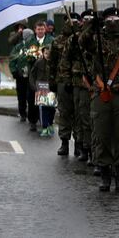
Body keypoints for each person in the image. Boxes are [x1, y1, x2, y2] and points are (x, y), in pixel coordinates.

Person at [81, 7, 119, 192]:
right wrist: (93, 23)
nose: (112, 22)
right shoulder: (97, 42)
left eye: (116, 19)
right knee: (101, 135)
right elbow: (82, 41)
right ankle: (105, 175)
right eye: (108, 19)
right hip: (101, 94)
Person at [59, 11, 94, 164]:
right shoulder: (74, 39)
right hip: (78, 81)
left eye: (91, 20)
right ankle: (82, 146)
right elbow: (65, 61)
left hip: (97, 82)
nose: (88, 22)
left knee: (93, 118)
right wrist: (65, 80)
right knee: (80, 116)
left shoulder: (99, 37)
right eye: (85, 19)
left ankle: (93, 150)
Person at [48, 15, 74, 155]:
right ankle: (64, 142)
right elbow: (52, 63)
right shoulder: (57, 41)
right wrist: (51, 81)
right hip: (62, 80)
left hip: (78, 80)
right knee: (64, 112)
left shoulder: (79, 39)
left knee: (79, 115)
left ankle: (81, 145)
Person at [30, 46, 55, 137]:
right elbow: (32, 75)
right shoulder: (38, 62)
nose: (48, 55)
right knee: (43, 108)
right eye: (46, 53)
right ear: (43, 53)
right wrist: (33, 86)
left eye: (49, 53)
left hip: (51, 88)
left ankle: (50, 124)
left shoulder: (54, 63)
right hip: (41, 88)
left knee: (51, 108)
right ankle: (44, 127)